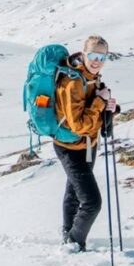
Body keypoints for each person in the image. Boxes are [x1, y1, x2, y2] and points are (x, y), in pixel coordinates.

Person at [54, 35, 118, 253]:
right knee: (92, 202)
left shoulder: (92, 77)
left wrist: (108, 106)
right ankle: (73, 243)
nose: (96, 60)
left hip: (88, 145)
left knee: (73, 194)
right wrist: (101, 101)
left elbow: (92, 107)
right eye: (92, 55)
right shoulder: (73, 82)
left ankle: (68, 235)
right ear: (83, 54)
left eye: (102, 56)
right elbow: (79, 125)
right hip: (70, 148)